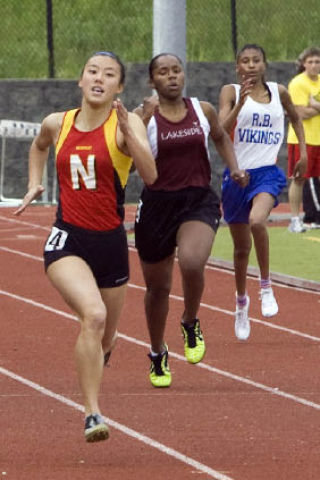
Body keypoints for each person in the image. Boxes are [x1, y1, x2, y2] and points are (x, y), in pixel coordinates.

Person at [14, 51, 157, 442]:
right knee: (92, 317)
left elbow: (151, 174)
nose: (99, 78)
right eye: (92, 71)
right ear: (80, 80)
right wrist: (34, 182)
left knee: (107, 338)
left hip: (110, 242)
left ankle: (97, 355)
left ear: (119, 87)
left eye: (109, 74)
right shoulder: (56, 123)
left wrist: (132, 135)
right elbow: (39, 146)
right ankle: (92, 413)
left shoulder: (126, 125)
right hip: (67, 239)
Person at [133, 53, 247, 388]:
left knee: (193, 262)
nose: (172, 77)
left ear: (184, 75)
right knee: (158, 288)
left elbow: (220, 136)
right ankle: (157, 352)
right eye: (163, 72)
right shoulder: (145, 118)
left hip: (197, 200)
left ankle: (190, 320)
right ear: (152, 81)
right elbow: (127, 153)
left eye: (176, 70)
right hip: (156, 206)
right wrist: (138, 117)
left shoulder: (202, 109)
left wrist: (235, 167)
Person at [218, 44, 307, 341]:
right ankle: (241, 303)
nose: (251, 65)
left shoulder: (279, 91)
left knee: (258, 220)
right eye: (245, 61)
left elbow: (295, 116)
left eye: (257, 60)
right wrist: (240, 104)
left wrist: (303, 152)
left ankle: (266, 286)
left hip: (267, 173)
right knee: (241, 250)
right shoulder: (230, 92)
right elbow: (220, 131)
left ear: (265, 65)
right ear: (237, 67)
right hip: (237, 176)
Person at [287, 46, 320, 232]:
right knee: (299, 179)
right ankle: (294, 219)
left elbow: (309, 109)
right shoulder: (298, 83)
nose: (314, 65)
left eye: (317, 62)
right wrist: (314, 108)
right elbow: (300, 113)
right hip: (301, 139)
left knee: (316, 178)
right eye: (311, 62)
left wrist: (314, 105)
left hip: (318, 138)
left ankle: (314, 216)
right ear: (304, 64)